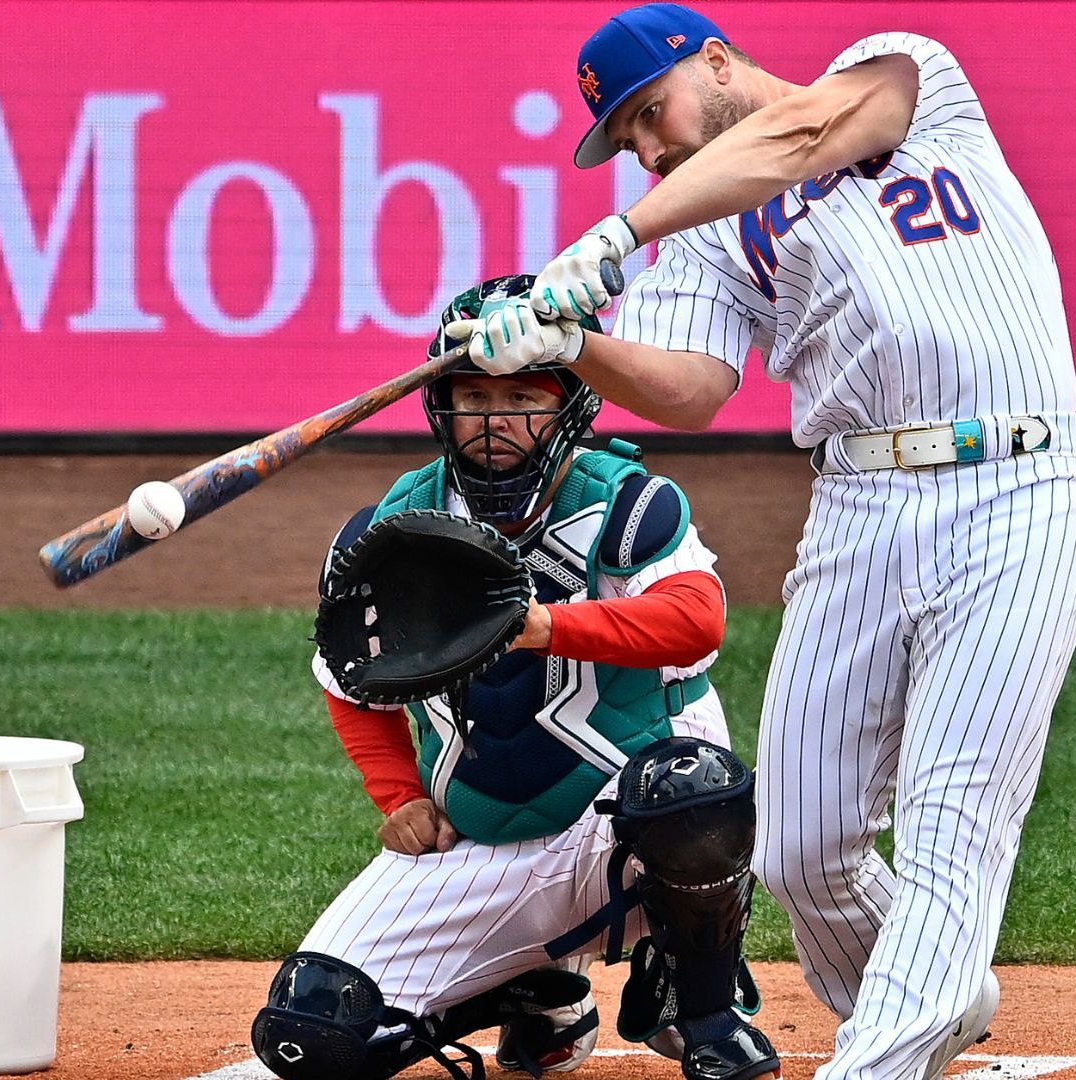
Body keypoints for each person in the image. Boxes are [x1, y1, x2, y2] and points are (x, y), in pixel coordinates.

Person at [453, 5, 1076, 1077]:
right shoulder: (704, 232)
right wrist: (576, 341)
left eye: (648, 115)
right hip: (857, 507)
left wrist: (621, 231)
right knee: (801, 848)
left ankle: (881, 1056)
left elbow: (798, 140)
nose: (647, 150)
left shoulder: (902, 82)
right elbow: (694, 390)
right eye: (625, 143)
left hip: (1015, 484)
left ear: (714, 60)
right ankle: (941, 992)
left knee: (950, 822)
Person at [251, 275, 781, 1080]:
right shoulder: (389, 535)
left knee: (691, 785)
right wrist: (397, 796)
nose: (495, 421)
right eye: (473, 397)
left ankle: (697, 1003)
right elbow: (348, 677)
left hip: (625, 817)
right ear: (442, 405)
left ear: (570, 402)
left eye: (524, 397)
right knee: (311, 1030)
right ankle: (531, 989)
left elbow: (696, 617)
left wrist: (543, 626)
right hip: (483, 832)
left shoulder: (631, 503)